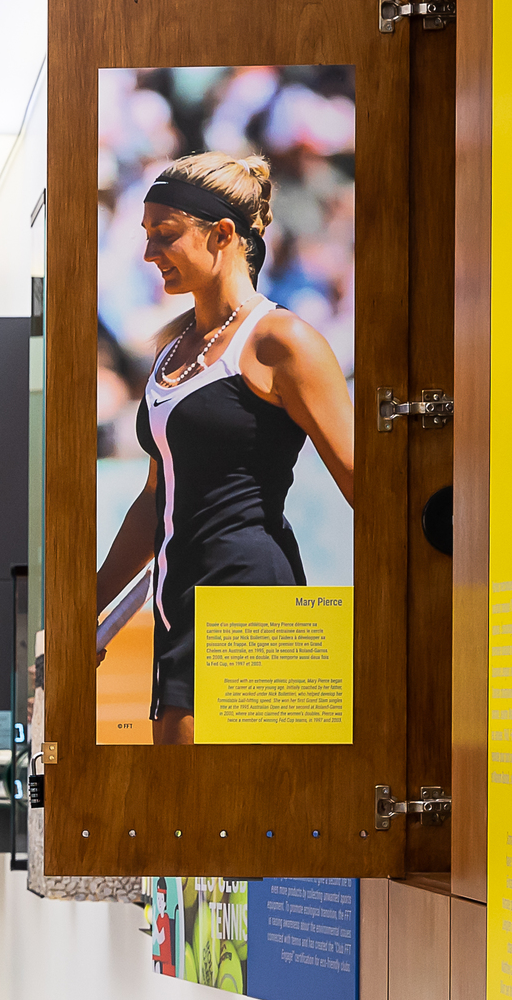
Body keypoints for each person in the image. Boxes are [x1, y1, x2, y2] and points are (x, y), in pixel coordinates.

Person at [94, 152, 356, 743]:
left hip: (251, 601)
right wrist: (87, 608)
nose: (148, 254)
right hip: (180, 602)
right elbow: (155, 499)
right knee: (186, 817)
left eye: (165, 236)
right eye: (145, 237)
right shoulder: (171, 350)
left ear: (223, 235)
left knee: (237, 822)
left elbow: (370, 486)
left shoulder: (281, 340)